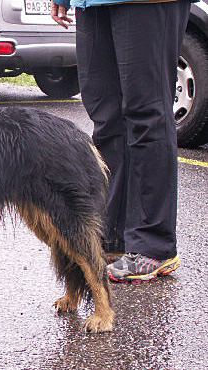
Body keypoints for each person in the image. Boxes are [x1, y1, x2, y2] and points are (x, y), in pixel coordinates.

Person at [50, 0, 192, 282]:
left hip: (147, 4)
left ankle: (154, 244)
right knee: (107, 118)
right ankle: (114, 236)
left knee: (146, 113)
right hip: (92, 4)